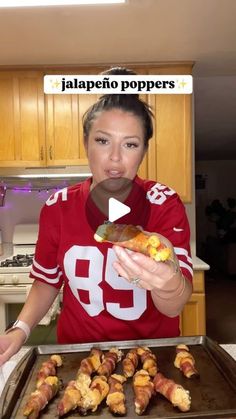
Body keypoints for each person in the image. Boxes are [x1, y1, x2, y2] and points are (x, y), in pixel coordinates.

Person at [0, 67, 193, 366]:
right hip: (79, 359)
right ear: (86, 142)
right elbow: (48, 281)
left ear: (143, 151)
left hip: (151, 360)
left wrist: (169, 281)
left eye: (130, 144)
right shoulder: (57, 207)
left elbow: (173, 307)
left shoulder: (164, 203)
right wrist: (20, 330)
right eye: (103, 141)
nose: (115, 157)